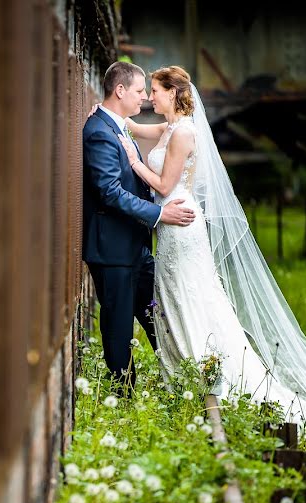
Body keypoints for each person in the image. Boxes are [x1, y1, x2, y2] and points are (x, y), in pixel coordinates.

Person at [100, 65, 306, 439]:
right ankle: (189, 372)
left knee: (191, 298)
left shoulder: (183, 133)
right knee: (178, 299)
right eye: (145, 91)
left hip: (177, 221)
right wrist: (111, 119)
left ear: (173, 93)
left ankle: (210, 373)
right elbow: (133, 129)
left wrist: (132, 162)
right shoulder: (169, 128)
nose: (150, 97)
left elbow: (165, 185)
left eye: (156, 90)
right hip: (168, 229)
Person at [81, 62, 197, 393]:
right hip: (113, 247)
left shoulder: (116, 125)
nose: (145, 97)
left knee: (159, 316)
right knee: (118, 327)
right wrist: (159, 215)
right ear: (120, 91)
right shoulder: (100, 132)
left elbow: (159, 129)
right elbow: (109, 191)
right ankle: (123, 395)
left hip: (135, 245)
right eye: (138, 91)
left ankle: (180, 379)